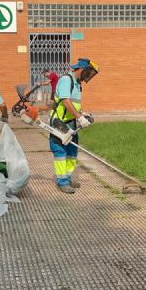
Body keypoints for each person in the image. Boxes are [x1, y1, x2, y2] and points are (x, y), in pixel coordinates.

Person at [48, 58, 99, 194]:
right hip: (59, 122)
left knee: (72, 152)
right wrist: (79, 117)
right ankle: (62, 182)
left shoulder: (77, 84)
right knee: (60, 152)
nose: (88, 77)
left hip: (71, 122)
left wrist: (82, 113)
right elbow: (65, 101)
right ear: (82, 69)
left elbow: (73, 104)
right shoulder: (66, 80)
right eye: (88, 73)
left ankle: (67, 178)